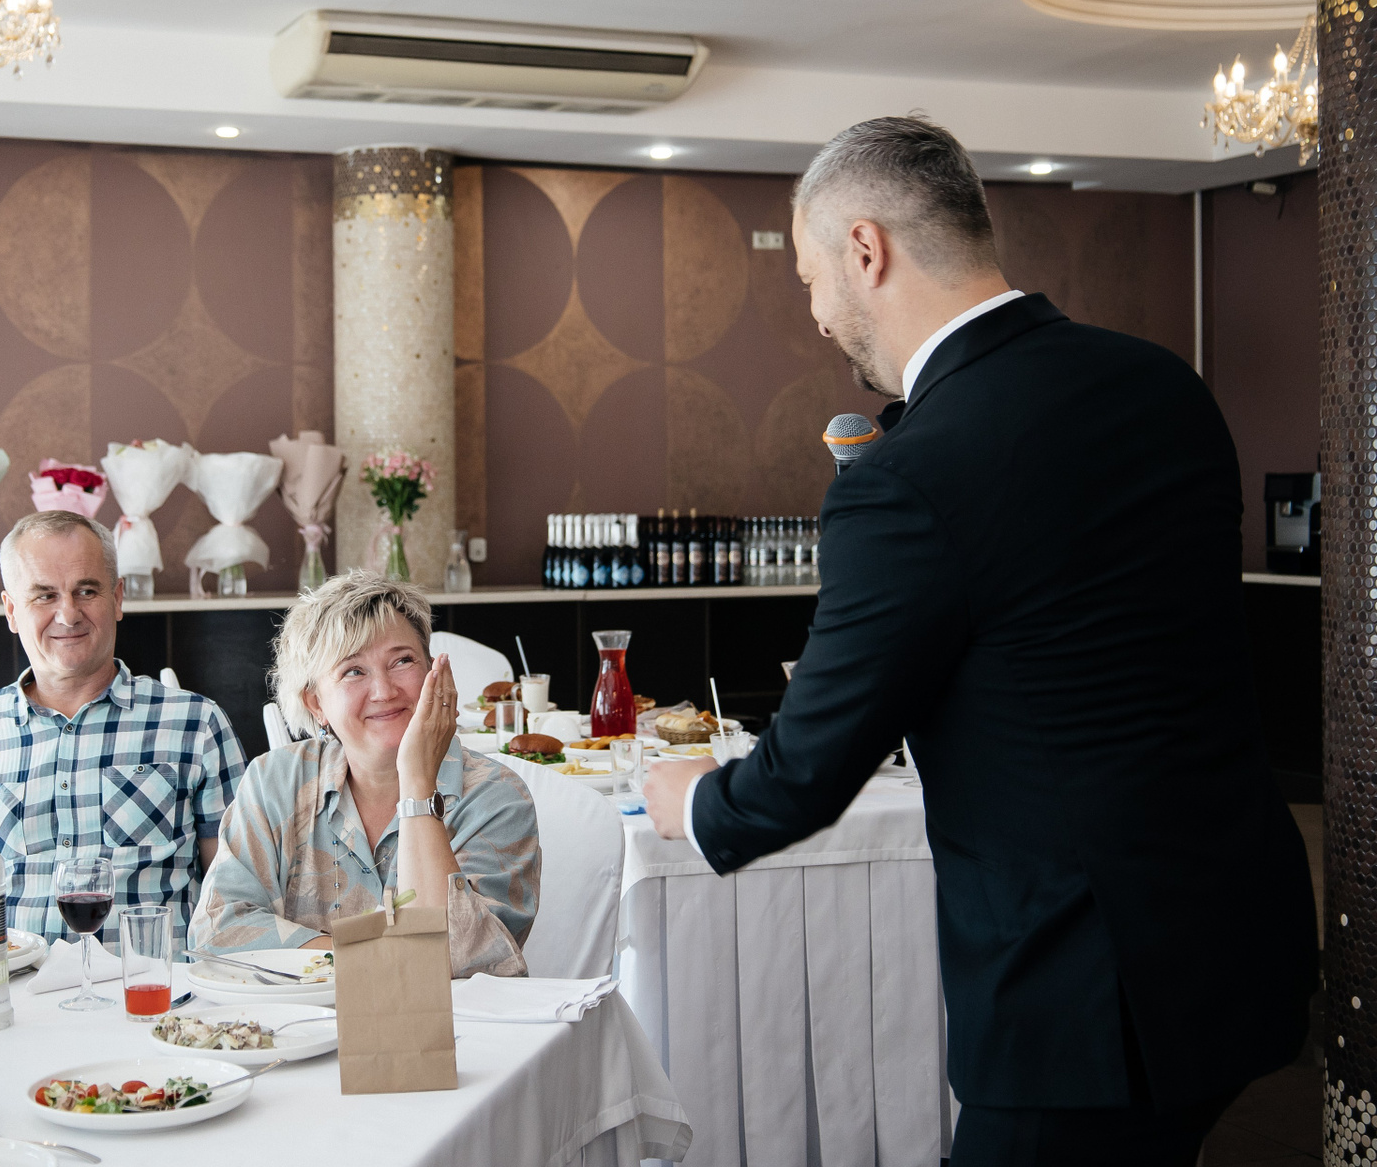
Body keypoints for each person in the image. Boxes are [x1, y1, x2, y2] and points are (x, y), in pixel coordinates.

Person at [643, 116, 1316, 1166]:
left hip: (1082, 994)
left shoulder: (906, 477)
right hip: (1239, 936)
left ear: (866, 250)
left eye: (811, 279)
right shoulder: (1164, 386)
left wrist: (690, 799)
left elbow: (805, 774)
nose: (816, 315)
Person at [0, 510, 244, 947]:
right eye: (44, 595)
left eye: (86, 591)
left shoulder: (197, 725)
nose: (67, 614)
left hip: (148, 986)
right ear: (12, 611)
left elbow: (237, 894)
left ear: (117, 598)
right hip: (9, 985)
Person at [190, 571, 538, 977]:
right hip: (298, 1016)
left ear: (433, 674)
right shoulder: (276, 781)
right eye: (354, 671)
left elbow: (463, 962)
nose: (385, 691)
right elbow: (217, 931)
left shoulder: (496, 797)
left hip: (455, 1019)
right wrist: (374, 956)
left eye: (402, 661)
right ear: (316, 703)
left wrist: (417, 784)